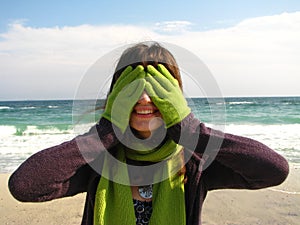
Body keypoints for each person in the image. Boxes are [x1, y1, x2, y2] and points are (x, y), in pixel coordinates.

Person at [8, 42, 289, 225]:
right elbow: (25, 186)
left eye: (157, 86)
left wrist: (189, 129)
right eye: (132, 86)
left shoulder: (193, 162)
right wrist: (106, 131)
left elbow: (273, 170)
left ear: (174, 95)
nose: (144, 98)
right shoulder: (99, 161)